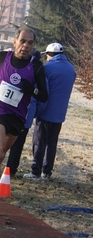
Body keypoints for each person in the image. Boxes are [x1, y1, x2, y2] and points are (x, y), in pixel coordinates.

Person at [0, 27, 48, 215]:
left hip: (18, 116)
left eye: (30, 43)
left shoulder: (36, 67)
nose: (26, 46)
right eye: (23, 41)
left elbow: (44, 96)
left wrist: (33, 90)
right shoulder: (2, 57)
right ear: (15, 42)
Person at [23, 43, 76, 180]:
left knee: (39, 142)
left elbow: (42, 90)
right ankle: (47, 172)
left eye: (47, 54)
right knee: (52, 143)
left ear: (50, 54)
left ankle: (35, 171)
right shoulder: (71, 69)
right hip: (60, 114)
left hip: (46, 112)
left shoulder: (47, 68)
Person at [6, 49, 46, 176]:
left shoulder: (38, 72)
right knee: (12, 141)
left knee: (17, 142)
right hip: (15, 111)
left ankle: (10, 169)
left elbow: (43, 96)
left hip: (25, 113)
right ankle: (8, 168)